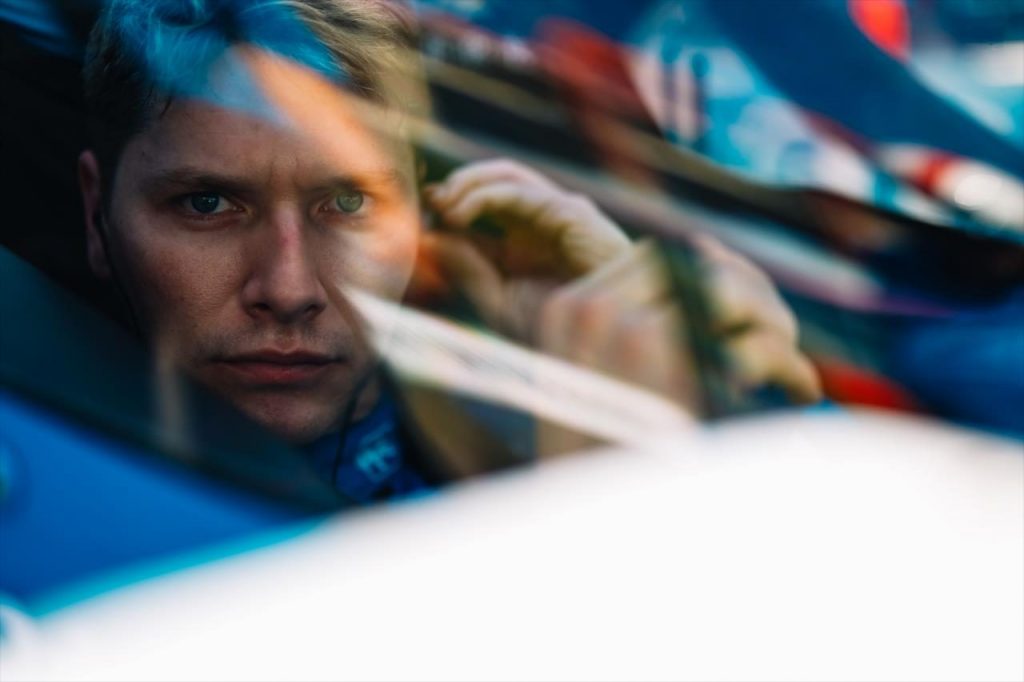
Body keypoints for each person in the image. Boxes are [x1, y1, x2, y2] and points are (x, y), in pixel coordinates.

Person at [77, 0, 819, 502]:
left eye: (349, 204)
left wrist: (723, 389)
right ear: (95, 212)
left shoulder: (528, 391)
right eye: (207, 204)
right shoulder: (50, 477)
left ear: (420, 216)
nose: (289, 286)